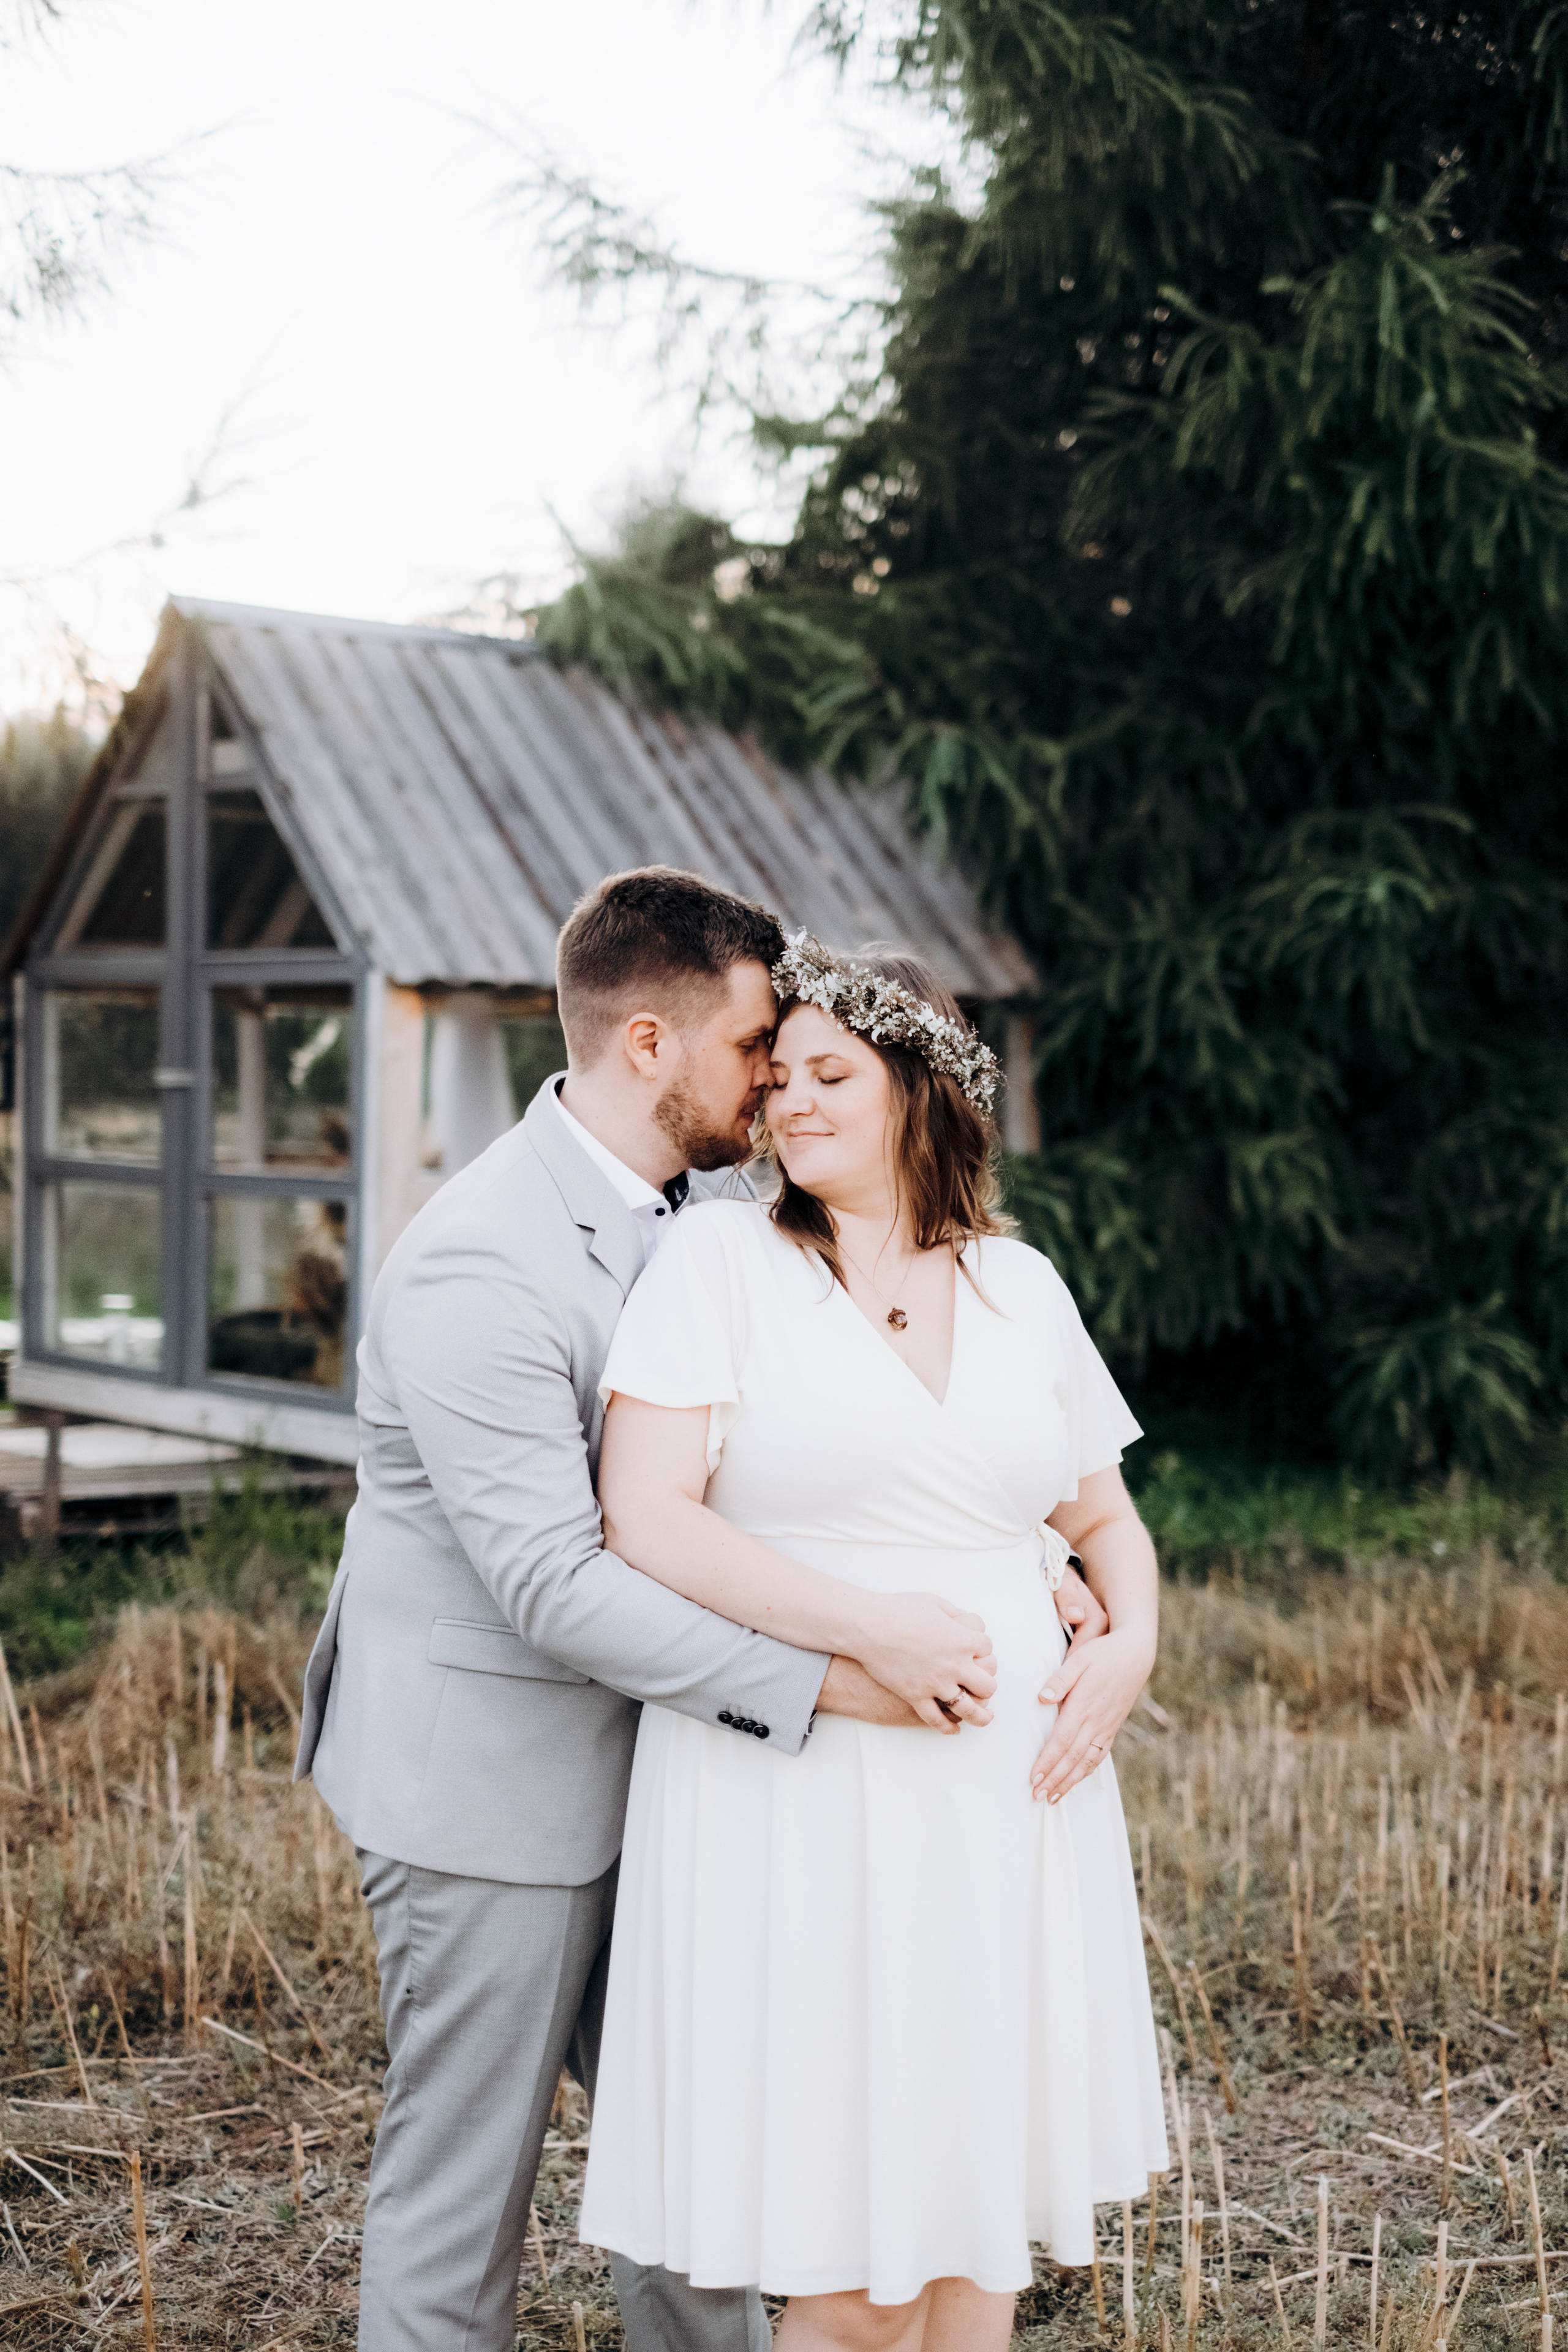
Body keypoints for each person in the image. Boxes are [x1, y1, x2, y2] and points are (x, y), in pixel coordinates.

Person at [293, 869, 1098, 2352]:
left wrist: (1011, 1549)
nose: (774, 1084)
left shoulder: (716, 1216)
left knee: (706, 2186)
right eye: (751, 1051)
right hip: (496, 1788)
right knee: (462, 2201)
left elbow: (791, 1443)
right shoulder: (477, 1258)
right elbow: (555, 1579)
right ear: (649, 1044)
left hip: (693, 1786)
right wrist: (840, 1674)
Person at [579, 933, 1168, 2352]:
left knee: (974, 2252)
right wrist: (871, 1632)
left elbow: (1102, 1518)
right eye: (777, 1076)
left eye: (828, 1075)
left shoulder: (1020, 1287)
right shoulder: (719, 1261)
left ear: (919, 1086)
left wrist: (1131, 1644)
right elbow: (644, 1517)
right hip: (801, 1792)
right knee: (852, 2281)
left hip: (1005, 1801)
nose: (788, 1102)